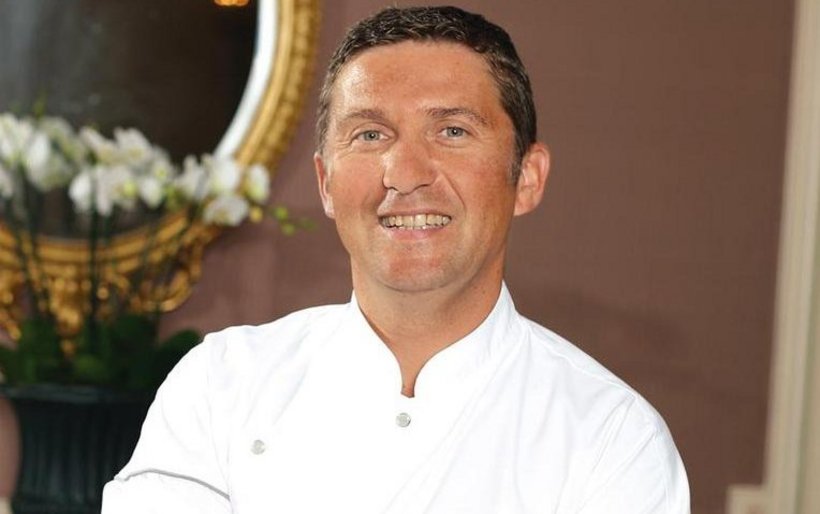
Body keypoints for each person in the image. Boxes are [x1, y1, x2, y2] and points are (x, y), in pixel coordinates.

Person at [102, 6, 690, 513]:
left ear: (528, 177)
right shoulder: (219, 385)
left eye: (452, 131)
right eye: (370, 135)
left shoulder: (611, 438)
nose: (405, 175)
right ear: (326, 183)